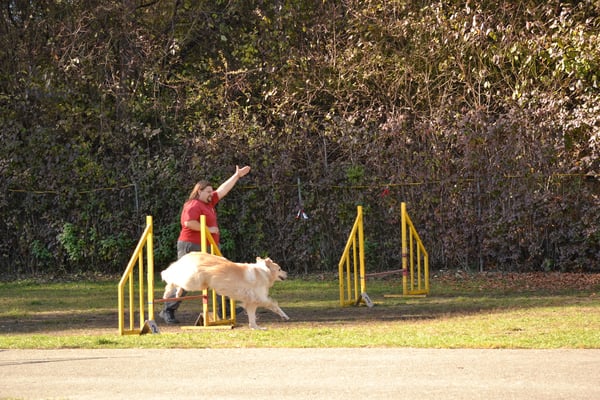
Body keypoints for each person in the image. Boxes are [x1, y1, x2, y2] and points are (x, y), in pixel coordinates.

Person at [159, 165, 251, 324]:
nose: (211, 194)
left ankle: (225, 309)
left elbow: (223, 190)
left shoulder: (209, 202)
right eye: (208, 191)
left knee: (221, 274)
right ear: (199, 191)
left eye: (211, 191)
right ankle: (168, 310)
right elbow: (188, 223)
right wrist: (208, 229)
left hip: (210, 246)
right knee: (187, 278)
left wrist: (237, 176)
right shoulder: (193, 204)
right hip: (191, 246)